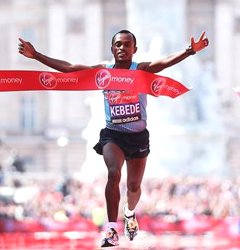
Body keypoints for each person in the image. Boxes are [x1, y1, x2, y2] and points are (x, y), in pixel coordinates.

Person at [18, 29, 209, 247]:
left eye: (127, 45)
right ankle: (111, 230)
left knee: (134, 187)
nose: (122, 48)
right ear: (112, 49)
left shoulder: (141, 70)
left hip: (138, 137)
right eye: (118, 44)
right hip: (113, 134)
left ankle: (129, 214)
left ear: (134, 50)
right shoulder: (103, 71)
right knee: (113, 173)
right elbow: (70, 69)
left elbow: (164, 63)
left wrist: (190, 51)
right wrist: (37, 56)